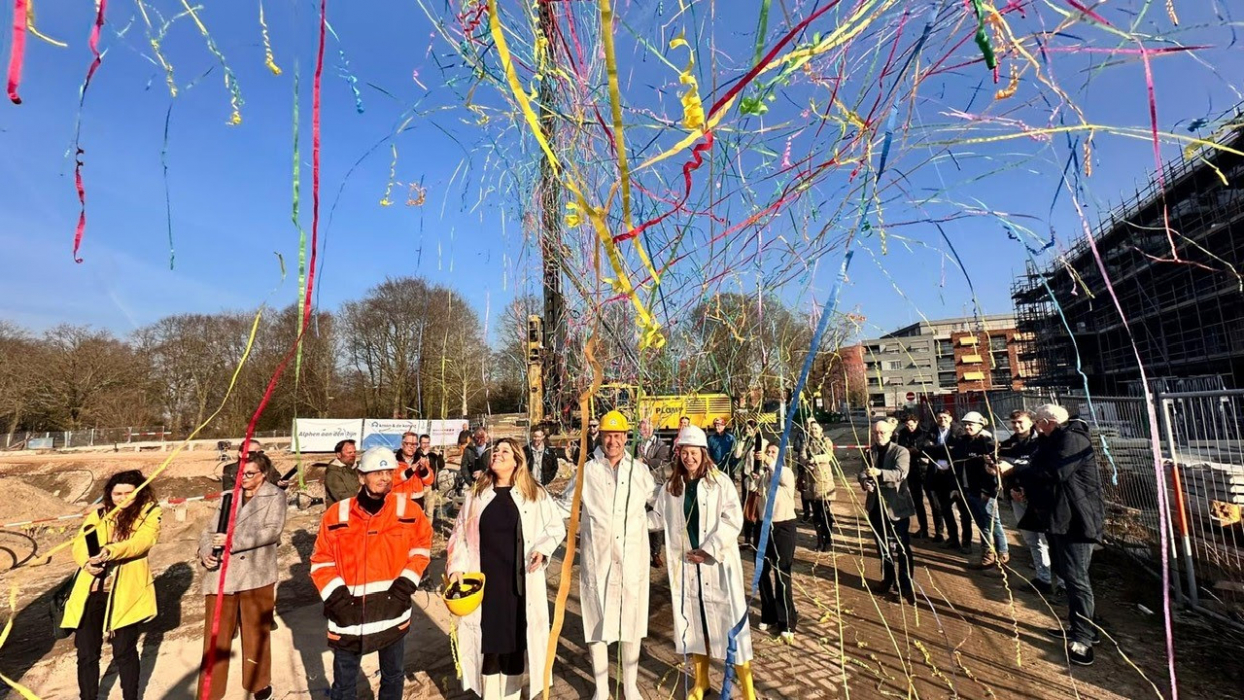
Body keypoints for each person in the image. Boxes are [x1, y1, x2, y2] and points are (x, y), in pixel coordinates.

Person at [447, 438, 568, 699]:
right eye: (495, 450)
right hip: (485, 585)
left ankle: (512, 695)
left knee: (515, 646)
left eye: (504, 451)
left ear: (517, 460)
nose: (497, 454)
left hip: (518, 586)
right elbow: (459, 535)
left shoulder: (534, 494)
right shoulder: (476, 495)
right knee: (488, 648)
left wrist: (543, 549)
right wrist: (456, 566)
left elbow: (556, 528)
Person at [310, 447, 434, 700]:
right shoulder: (338, 514)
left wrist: (403, 588)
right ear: (361, 476)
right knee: (344, 683)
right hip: (349, 615)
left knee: (393, 676)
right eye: (376, 472)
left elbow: (421, 549)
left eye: (388, 471)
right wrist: (337, 600)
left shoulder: (408, 511)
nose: (384, 477)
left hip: (392, 612)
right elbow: (321, 560)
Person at [648, 425, 756, 700]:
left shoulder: (720, 483)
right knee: (694, 626)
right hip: (686, 568)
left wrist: (708, 550)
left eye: (693, 453)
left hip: (716, 566)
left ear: (703, 453)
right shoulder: (673, 487)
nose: (688, 458)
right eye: (684, 453)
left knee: (731, 627)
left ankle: (748, 690)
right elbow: (658, 518)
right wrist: (627, 521)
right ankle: (701, 682)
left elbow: (733, 521)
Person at [557, 410, 654, 700]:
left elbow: (661, 504)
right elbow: (565, 507)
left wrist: (645, 524)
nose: (613, 441)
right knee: (597, 621)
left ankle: (631, 685)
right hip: (597, 559)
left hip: (632, 558)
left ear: (626, 437)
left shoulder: (639, 471)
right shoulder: (588, 472)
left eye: (618, 435)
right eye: (608, 435)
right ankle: (601, 688)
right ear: (600, 436)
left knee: (631, 623)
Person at [62, 470, 162, 700]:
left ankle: (130, 696)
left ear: (140, 492)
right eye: (118, 493)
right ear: (109, 493)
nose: (123, 498)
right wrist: (87, 562)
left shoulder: (150, 513)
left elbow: (142, 542)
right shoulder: (99, 514)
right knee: (87, 654)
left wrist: (110, 551)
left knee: (124, 652)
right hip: (92, 591)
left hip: (125, 594)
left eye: (129, 493)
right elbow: (81, 542)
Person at [197, 457, 287, 700]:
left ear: (263, 474)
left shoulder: (275, 496)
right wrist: (206, 552)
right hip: (221, 576)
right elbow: (208, 530)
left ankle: (258, 683)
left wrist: (232, 543)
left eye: (249, 473)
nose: (243, 478)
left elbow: (271, 531)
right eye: (241, 473)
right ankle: (210, 691)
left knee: (256, 633)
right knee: (215, 638)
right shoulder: (228, 496)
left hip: (256, 575)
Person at [1028, 404, 1104, 666]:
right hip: (1061, 519)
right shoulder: (1054, 440)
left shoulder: (1072, 439)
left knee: (1077, 579)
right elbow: (1039, 464)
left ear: (1049, 421)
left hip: (1078, 521)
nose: (1036, 427)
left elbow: (1055, 472)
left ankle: (1083, 638)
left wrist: (1019, 470)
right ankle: (1082, 627)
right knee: (1066, 573)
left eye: (1038, 422)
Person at [997, 410, 1056, 594]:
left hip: (1040, 498)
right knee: (1031, 540)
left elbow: (1043, 469)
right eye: (1013, 422)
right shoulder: (1007, 445)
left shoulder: (1042, 443)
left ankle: (1062, 583)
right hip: (1018, 497)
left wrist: (1016, 470)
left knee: (1050, 540)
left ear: (1031, 422)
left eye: (1021, 422)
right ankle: (1043, 579)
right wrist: (1011, 487)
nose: (1017, 426)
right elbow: (1003, 470)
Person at [858, 419, 916, 602]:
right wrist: (865, 482)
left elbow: (900, 473)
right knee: (882, 546)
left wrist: (879, 473)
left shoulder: (901, 451)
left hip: (896, 507)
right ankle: (888, 579)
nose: (878, 436)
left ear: (890, 433)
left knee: (902, 548)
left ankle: (905, 587)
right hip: (876, 506)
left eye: (882, 433)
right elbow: (862, 472)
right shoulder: (869, 452)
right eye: (875, 433)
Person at [755, 441, 798, 643]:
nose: (769, 454)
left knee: (782, 573)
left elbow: (780, 475)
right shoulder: (764, 475)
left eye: (773, 452)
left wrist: (770, 461)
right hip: (764, 526)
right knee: (762, 571)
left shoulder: (786, 472)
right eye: (767, 452)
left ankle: (787, 620)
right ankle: (768, 614)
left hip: (783, 527)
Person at [957, 412, 1004, 567]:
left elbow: (993, 471)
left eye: (971, 424)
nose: (967, 427)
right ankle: (988, 553)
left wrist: (988, 491)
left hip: (985, 492)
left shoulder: (987, 443)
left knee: (991, 523)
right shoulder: (964, 442)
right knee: (982, 523)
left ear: (980, 425)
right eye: (965, 424)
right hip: (970, 489)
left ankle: (1001, 554)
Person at [924, 410, 971, 554]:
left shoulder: (959, 432)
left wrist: (938, 449)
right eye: (939, 417)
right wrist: (944, 449)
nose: (942, 420)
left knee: (963, 511)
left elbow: (958, 451)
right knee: (945, 508)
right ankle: (953, 539)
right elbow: (925, 448)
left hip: (956, 477)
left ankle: (967, 542)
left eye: (945, 417)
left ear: (950, 418)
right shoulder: (932, 431)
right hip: (939, 476)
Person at [635, 418, 672, 568]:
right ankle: (640, 551)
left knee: (656, 518)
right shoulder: (637, 445)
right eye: (642, 429)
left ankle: (655, 553)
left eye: (647, 429)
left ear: (652, 430)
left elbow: (662, 461)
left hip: (655, 484)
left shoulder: (661, 445)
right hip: (639, 486)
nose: (645, 432)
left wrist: (644, 461)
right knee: (639, 517)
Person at [895, 415, 939, 540]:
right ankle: (923, 528)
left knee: (934, 502)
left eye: (911, 425)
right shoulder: (901, 434)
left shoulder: (925, 433)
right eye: (907, 425)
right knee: (918, 502)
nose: (910, 427)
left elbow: (930, 449)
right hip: (911, 471)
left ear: (917, 422)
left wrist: (918, 451)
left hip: (926, 471)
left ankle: (938, 531)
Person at [799, 422, 837, 552]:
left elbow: (828, 455)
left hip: (824, 482)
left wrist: (815, 459)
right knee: (816, 515)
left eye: (816, 428)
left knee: (825, 513)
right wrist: (806, 462)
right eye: (811, 428)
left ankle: (828, 540)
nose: (813, 430)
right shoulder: (806, 442)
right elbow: (802, 455)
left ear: (821, 429)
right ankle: (819, 540)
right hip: (810, 481)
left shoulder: (826, 441)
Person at [324, 439, 359, 505]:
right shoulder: (333, 473)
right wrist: (364, 493)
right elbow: (341, 497)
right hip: (341, 512)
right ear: (339, 455)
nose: (353, 455)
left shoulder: (357, 468)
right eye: (349, 453)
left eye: (354, 452)